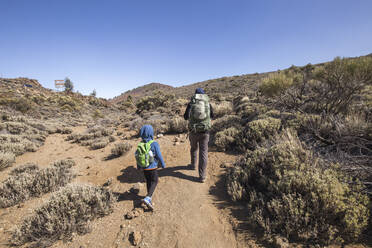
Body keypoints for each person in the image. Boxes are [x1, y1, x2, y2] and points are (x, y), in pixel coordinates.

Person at [183, 88, 214, 183]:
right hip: (205, 132)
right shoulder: (208, 104)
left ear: (195, 95)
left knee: (193, 148)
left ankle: (193, 165)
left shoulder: (191, 103)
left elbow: (185, 117)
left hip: (193, 131)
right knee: (203, 153)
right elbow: (212, 116)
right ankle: (202, 176)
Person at [135, 125, 166, 210]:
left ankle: (149, 199)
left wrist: (139, 166)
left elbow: (137, 156)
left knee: (149, 181)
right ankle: (148, 198)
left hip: (144, 168)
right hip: (152, 167)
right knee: (155, 181)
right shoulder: (154, 143)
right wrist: (163, 164)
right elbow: (159, 155)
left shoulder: (140, 144)